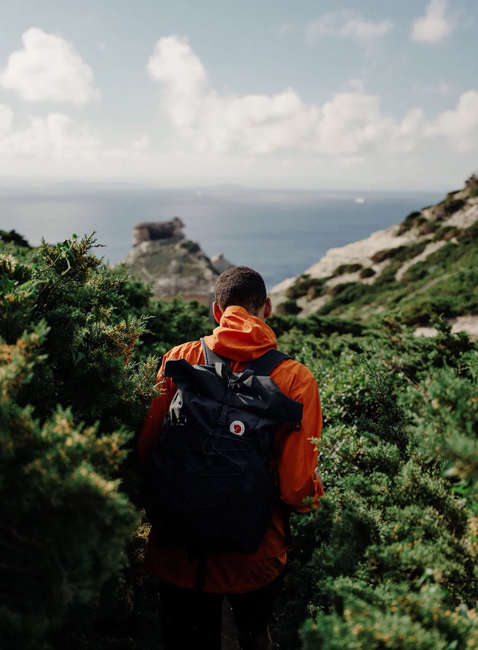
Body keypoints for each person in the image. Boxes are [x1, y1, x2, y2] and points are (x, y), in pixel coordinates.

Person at [137, 266, 324, 650]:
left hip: (177, 550)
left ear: (216, 312)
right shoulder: (295, 379)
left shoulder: (180, 358)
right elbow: (295, 491)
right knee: (254, 638)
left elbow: (146, 449)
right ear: (267, 308)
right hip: (255, 556)